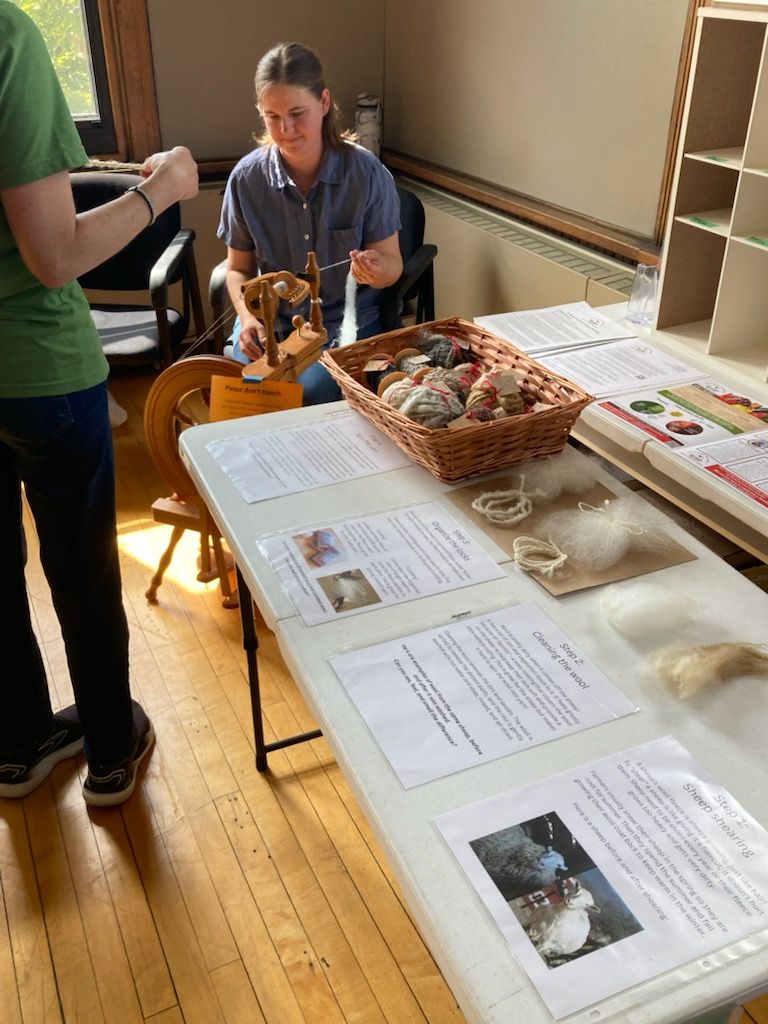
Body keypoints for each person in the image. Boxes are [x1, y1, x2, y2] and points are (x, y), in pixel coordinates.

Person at [0, 2, 198, 804]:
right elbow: (55, 255)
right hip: (36, 371)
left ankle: (15, 748)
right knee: (81, 569)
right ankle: (112, 754)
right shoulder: (6, 36)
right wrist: (168, 188)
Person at [218, 41, 403, 404]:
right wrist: (248, 317)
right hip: (268, 325)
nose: (285, 129)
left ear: (324, 103)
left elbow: (392, 265)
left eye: (296, 113)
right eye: (272, 116)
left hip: (344, 326)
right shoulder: (245, 179)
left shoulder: (366, 174)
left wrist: (377, 270)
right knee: (244, 392)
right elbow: (237, 269)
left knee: (308, 391)